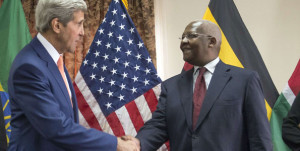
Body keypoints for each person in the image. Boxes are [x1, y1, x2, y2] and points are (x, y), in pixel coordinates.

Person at [7, 0, 138, 150]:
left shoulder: (53, 61)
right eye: (79, 23)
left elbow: (67, 122)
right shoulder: (29, 67)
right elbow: (57, 128)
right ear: (57, 25)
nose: (82, 32)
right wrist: (116, 144)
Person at [124, 20, 272, 150]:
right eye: (182, 37)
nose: (183, 41)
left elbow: (259, 136)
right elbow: (159, 126)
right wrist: (137, 143)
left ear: (212, 42)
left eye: (191, 36)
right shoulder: (171, 86)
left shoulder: (245, 80)